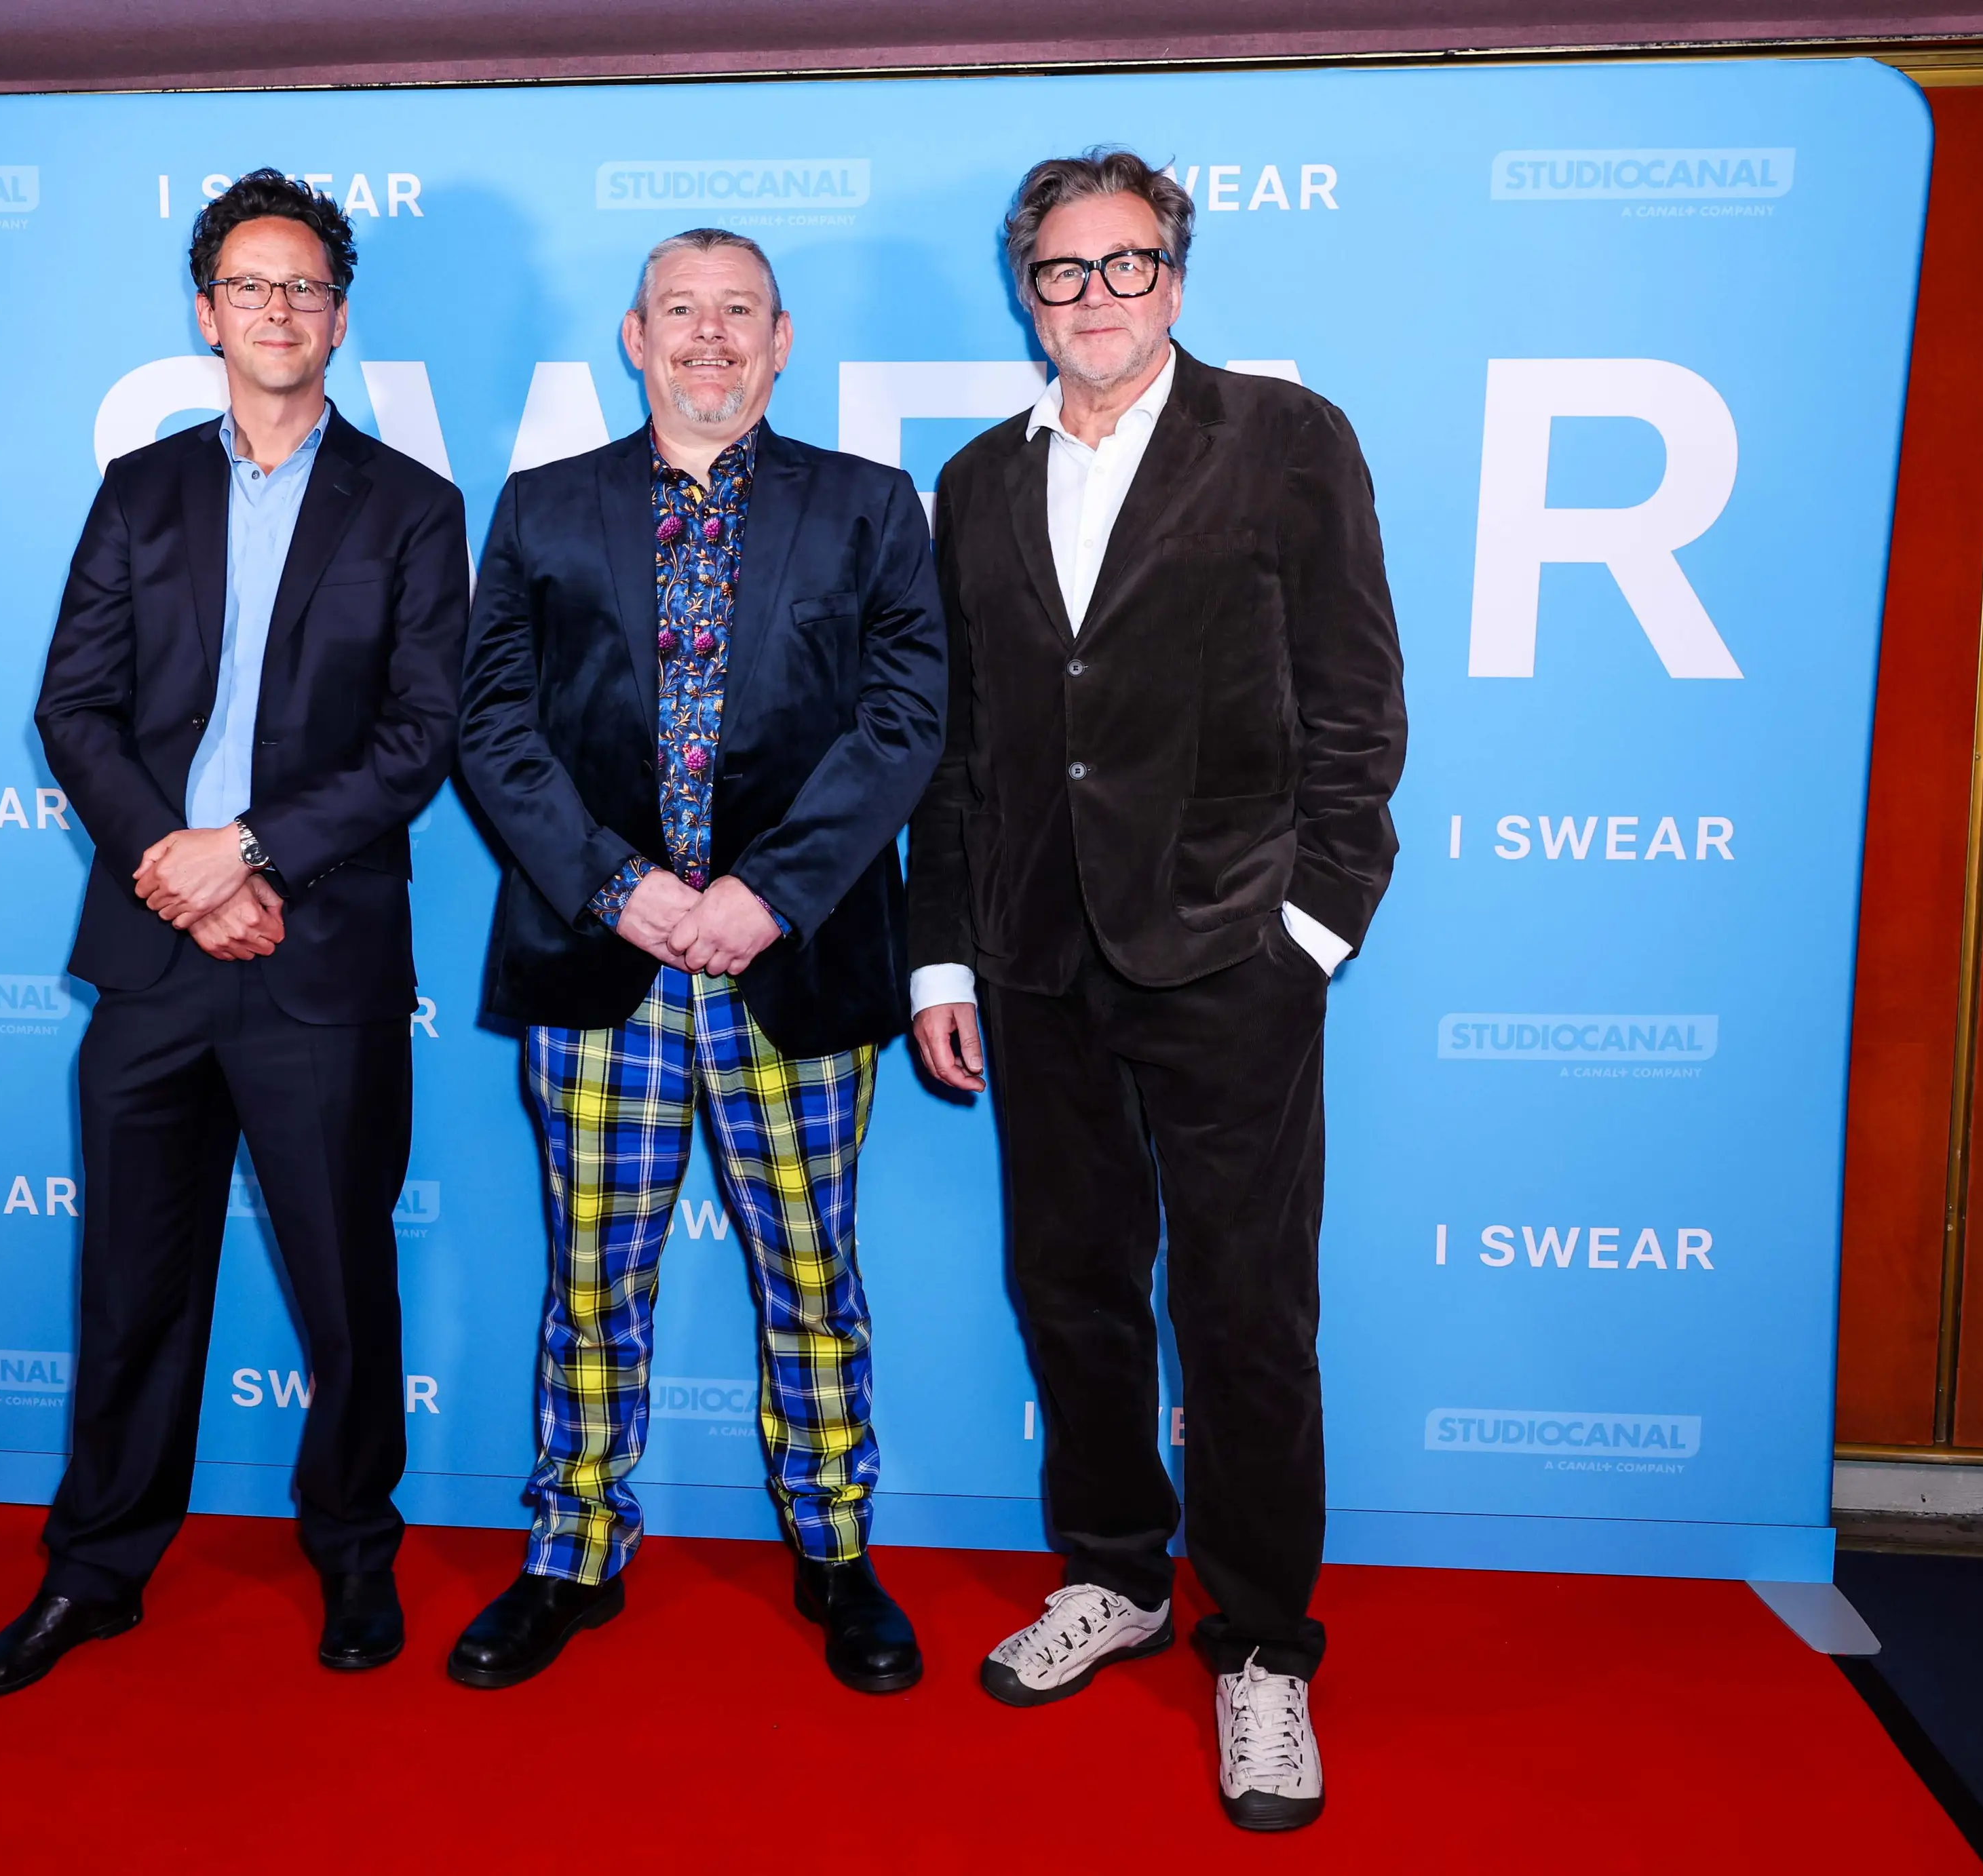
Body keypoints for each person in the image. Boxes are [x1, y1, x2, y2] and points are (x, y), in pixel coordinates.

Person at [908, 151, 1406, 1829]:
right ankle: (1115, 1574)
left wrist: (1311, 931)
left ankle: (1262, 1647)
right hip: (1035, 962)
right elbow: (960, 746)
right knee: (1074, 1290)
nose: (1096, 296)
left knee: (1246, 1312)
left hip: (1229, 957)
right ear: (1027, 293)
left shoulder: (1285, 440)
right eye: (1064, 270)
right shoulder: (976, 479)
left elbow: (1357, 706)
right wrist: (943, 948)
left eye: (1127, 265)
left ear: (1175, 282)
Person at [0, 170, 470, 1698]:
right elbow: (75, 707)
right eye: (251, 285)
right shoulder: (141, 491)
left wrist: (246, 851)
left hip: (323, 953)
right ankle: (95, 1571)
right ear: (207, 312)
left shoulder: (413, 508)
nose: (278, 309)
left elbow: (421, 734)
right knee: (133, 1285)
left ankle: (354, 1552)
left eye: (305, 287)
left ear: (340, 317)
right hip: (153, 956)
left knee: (344, 1287)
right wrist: (176, 870)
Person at [451, 227, 946, 1694]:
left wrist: (766, 895)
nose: (710, 335)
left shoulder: (869, 509)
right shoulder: (542, 509)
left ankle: (836, 1549)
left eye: (740, 311)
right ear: (635, 335)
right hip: (603, 968)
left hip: (792, 966)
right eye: (681, 309)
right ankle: (572, 1553)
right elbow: (494, 727)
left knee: (812, 1273)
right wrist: (620, 889)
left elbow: (905, 723)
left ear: (782, 341)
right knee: (592, 1279)